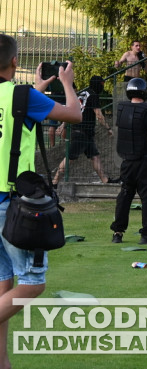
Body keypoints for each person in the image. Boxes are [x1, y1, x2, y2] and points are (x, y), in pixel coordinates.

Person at [0, 36, 83, 369]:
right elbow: (74, 114)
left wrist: (34, 88)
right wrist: (67, 83)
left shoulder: (25, 96)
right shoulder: (23, 96)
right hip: (13, 204)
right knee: (32, 283)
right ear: (15, 62)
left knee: (3, 286)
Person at [110, 78, 147, 245]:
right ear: (145, 92)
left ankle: (118, 233)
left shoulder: (122, 108)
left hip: (127, 161)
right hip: (146, 161)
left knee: (125, 195)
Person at [52, 75, 112, 186]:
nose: (102, 87)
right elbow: (99, 115)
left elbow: (73, 109)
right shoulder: (93, 95)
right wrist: (108, 128)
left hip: (84, 132)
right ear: (98, 84)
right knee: (70, 158)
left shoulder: (83, 93)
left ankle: (105, 180)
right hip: (82, 132)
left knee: (95, 156)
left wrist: (63, 125)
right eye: (102, 84)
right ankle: (54, 182)